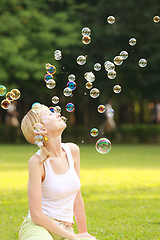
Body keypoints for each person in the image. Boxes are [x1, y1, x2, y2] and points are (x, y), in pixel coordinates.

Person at [18, 104, 96, 240]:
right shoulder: (37, 162)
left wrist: (83, 234)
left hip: (65, 230)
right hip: (39, 227)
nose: (57, 114)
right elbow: (36, 215)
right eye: (49, 114)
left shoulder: (73, 151)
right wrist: (73, 238)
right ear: (41, 130)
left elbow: (77, 198)